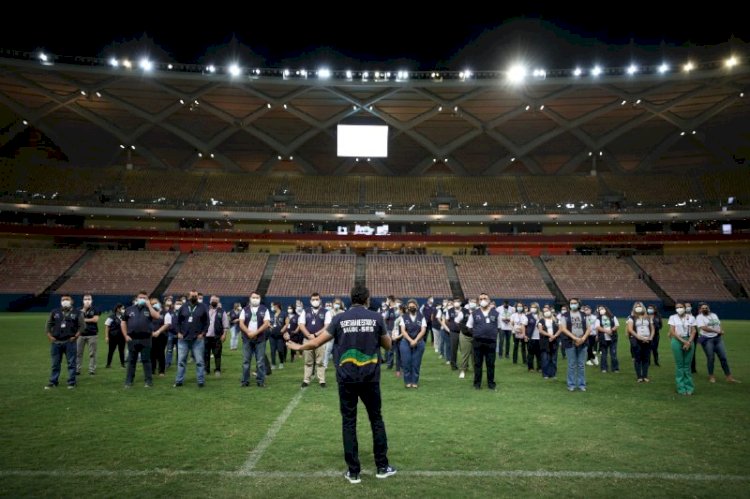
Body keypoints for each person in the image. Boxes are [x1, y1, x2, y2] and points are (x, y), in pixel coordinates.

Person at [286, 284, 396, 484]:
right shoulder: (376, 318)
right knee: (376, 420)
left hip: (346, 377)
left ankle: (353, 472)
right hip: (370, 377)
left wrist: (299, 346)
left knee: (349, 422)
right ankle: (382, 467)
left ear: (351, 299)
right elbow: (388, 345)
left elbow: (317, 342)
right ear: (367, 299)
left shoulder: (339, 318)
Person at [121, 291, 161, 388]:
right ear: (137, 298)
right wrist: (126, 335)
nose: (142, 299)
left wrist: (149, 305)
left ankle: (148, 381)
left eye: (144, 298)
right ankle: (129, 381)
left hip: (146, 339)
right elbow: (123, 322)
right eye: (141, 297)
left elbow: (157, 316)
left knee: (146, 361)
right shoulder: (129, 309)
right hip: (132, 339)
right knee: (131, 361)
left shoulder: (150, 309)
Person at [45, 295, 84, 389]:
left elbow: (82, 326)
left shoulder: (77, 312)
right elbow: (48, 324)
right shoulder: (55, 312)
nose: (65, 301)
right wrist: (49, 336)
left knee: (71, 363)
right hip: (56, 342)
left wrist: (76, 336)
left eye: (67, 299)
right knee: (55, 364)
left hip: (69, 341)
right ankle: (53, 381)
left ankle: (71, 382)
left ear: (72, 301)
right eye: (63, 299)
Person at [695, 303, 740, 383]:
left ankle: (729, 377)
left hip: (718, 339)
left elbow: (718, 324)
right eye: (703, 308)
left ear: (709, 308)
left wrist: (720, 330)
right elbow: (703, 327)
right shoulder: (699, 317)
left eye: (706, 307)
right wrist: (716, 331)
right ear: (700, 310)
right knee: (711, 358)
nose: (705, 309)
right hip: (707, 340)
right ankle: (711, 376)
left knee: (723, 358)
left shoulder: (714, 315)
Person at [174, 289, 209, 388]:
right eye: (192, 296)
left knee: (199, 361)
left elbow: (207, 322)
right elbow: (177, 321)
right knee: (181, 361)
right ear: (188, 297)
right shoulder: (183, 307)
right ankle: (179, 381)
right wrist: (178, 332)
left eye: (196, 296)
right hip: (183, 339)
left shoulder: (203, 307)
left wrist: (203, 333)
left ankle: (200, 381)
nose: (194, 298)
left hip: (197, 339)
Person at [466, 293, 500, 390]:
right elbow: (469, 326)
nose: (483, 300)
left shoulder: (496, 313)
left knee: (490, 364)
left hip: (491, 342)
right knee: (477, 364)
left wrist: (491, 334)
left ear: (489, 300)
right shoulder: (474, 313)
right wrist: (477, 334)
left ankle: (491, 384)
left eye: (485, 298)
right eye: (481, 299)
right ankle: (477, 384)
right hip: (478, 342)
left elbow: (499, 327)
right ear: (478, 301)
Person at [298, 292, 332, 388]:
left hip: (321, 340)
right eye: (313, 299)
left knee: (320, 362)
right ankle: (306, 380)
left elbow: (327, 325)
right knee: (308, 361)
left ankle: (322, 380)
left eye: (317, 299)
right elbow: (301, 324)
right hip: (307, 340)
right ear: (310, 301)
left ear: (320, 300)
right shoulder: (306, 311)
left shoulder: (326, 312)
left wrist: (316, 334)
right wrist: (309, 335)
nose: (315, 301)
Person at [239, 291, 271, 388]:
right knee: (246, 361)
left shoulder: (265, 310)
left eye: (257, 297)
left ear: (260, 299)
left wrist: (255, 333)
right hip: (247, 339)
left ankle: (260, 381)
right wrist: (249, 333)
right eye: (253, 297)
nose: (255, 299)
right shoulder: (244, 310)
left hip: (260, 339)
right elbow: (241, 323)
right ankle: (245, 381)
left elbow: (266, 324)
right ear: (250, 298)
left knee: (260, 361)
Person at [559, 298, 589, 392]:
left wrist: (583, 338)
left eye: (575, 303)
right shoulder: (565, 316)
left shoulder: (584, 315)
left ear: (578, 304)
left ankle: (581, 384)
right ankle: (571, 385)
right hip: (570, 342)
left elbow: (589, 328)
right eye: (571, 303)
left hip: (582, 342)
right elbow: (563, 328)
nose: (573, 305)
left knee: (581, 365)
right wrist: (575, 338)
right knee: (571, 364)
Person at [668, 303, 696, 395]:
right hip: (677, 340)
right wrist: (683, 341)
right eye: (677, 307)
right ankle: (681, 388)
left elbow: (693, 331)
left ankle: (689, 387)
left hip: (689, 340)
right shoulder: (673, 317)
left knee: (687, 366)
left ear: (685, 308)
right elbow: (672, 331)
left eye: (681, 307)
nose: (679, 309)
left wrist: (688, 342)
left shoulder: (691, 317)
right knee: (680, 366)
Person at [399, 299, 427, 388]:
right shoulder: (404, 317)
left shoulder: (421, 317)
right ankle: (407, 381)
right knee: (406, 362)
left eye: (413, 306)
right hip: (405, 342)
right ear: (407, 307)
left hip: (419, 342)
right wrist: (411, 340)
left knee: (416, 363)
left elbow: (423, 330)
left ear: (417, 307)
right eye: (410, 306)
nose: (412, 308)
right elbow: (403, 330)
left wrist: (416, 340)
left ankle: (414, 381)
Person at [627, 301, 654, 383]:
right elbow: (630, 329)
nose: (638, 308)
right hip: (637, 340)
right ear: (634, 308)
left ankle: (645, 376)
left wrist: (650, 337)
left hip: (647, 340)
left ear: (643, 307)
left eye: (640, 306)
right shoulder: (631, 318)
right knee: (638, 359)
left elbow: (652, 329)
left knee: (646, 359)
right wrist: (639, 337)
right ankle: (639, 376)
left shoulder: (648, 317)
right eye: (636, 306)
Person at [205, 295, 229, 377]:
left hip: (217, 336)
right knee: (206, 354)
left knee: (217, 354)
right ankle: (206, 370)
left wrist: (224, 334)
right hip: (206, 336)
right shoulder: (205, 311)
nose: (214, 301)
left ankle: (217, 370)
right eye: (213, 300)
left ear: (218, 302)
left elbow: (225, 324)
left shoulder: (222, 312)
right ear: (210, 301)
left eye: (216, 300)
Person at [77, 294, 100, 376]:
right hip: (80, 334)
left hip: (92, 334)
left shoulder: (95, 309)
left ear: (92, 300)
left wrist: (83, 319)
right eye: (85, 299)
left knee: (92, 353)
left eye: (89, 299)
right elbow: (77, 321)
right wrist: (85, 315)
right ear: (83, 300)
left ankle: (92, 370)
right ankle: (77, 369)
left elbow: (95, 320)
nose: (87, 300)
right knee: (78, 353)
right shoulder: (78, 310)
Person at [537, 304, 560, 379]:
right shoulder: (541, 321)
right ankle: (545, 374)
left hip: (554, 341)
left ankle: (553, 374)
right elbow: (540, 330)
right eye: (545, 311)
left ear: (550, 311)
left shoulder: (556, 320)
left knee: (553, 359)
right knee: (545, 358)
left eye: (547, 311)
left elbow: (560, 329)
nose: (546, 312)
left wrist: (554, 336)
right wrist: (550, 336)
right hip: (545, 342)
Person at [596, 305, 620, 373]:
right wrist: (606, 331)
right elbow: (598, 327)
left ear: (606, 309)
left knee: (613, 354)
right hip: (603, 339)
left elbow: (617, 325)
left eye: (602, 309)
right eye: (599, 309)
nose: (601, 310)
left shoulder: (612, 317)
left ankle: (615, 368)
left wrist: (611, 330)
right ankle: (604, 368)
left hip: (613, 338)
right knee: (604, 354)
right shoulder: (598, 318)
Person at [149, 298, 169, 378]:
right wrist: (151, 332)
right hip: (151, 335)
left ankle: (161, 370)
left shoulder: (165, 313)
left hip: (162, 336)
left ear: (159, 303)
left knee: (161, 353)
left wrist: (158, 332)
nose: (154, 305)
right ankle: (152, 370)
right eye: (152, 304)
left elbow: (167, 324)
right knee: (151, 353)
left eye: (155, 303)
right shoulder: (149, 313)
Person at [104, 303, 126, 368]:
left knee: (121, 351)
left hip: (122, 337)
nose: (123, 309)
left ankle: (123, 364)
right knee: (111, 351)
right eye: (122, 308)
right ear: (118, 309)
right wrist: (106, 336)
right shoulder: (111, 316)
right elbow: (107, 326)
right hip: (113, 337)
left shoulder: (124, 316)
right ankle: (108, 364)